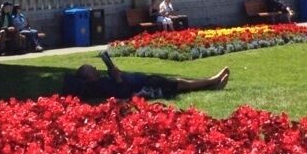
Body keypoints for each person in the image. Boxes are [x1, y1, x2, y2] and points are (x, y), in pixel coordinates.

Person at [63, 54, 230, 101]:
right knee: (179, 84)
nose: (95, 68)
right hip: (143, 88)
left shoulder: (100, 81)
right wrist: (119, 78)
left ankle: (212, 83)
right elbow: (122, 93)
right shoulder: (100, 86)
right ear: (89, 77)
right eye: (92, 69)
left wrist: (116, 74)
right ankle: (212, 81)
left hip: (141, 82)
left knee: (178, 83)